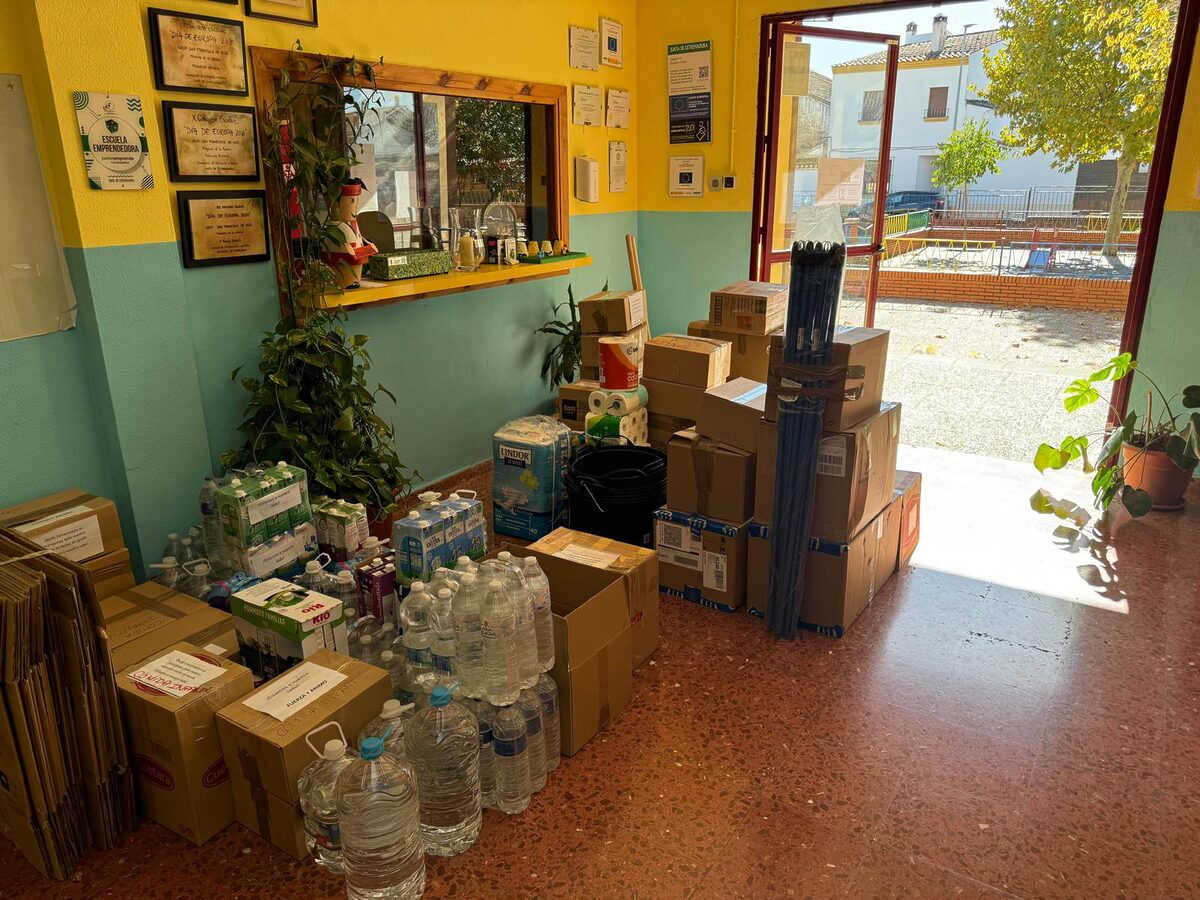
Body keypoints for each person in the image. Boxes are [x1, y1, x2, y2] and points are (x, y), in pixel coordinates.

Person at [322, 178, 378, 289]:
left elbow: (358, 237)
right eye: (352, 201)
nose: (355, 205)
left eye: (355, 201)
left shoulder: (351, 223)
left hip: (355, 249)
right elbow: (344, 242)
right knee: (343, 267)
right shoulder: (336, 226)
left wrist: (367, 245)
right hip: (346, 255)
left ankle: (354, 279)